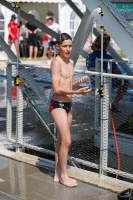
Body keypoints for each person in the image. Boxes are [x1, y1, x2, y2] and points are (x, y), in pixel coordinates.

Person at [49, 33, 92, 187]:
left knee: (61, 140)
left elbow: (67, 86)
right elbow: (56, 88)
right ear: (58, 47)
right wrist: (79, 93)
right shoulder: (56, 63)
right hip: (57, 105)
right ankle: (64, 177)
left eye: (70, 46)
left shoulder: (71, 62)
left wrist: (77, 83)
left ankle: (57, 172)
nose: (68, 49)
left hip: (68, 105)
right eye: (64, 46)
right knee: (67, 140)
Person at [86, 33, 129, 112]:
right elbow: (118, 73)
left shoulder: (89, 56)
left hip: (95, 82)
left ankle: (103, 104)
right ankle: (115, 104)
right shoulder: (107, 58)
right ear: (106, 45)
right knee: (125, 82)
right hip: (106, 83)